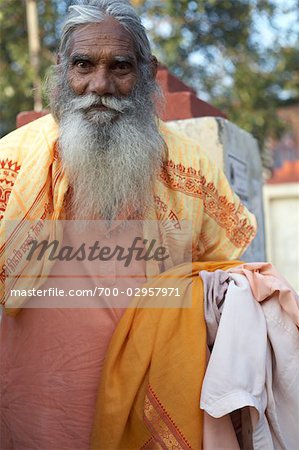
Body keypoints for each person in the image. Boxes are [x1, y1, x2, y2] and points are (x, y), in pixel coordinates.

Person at [0, 1, 257, 448]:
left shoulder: (191, 167)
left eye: (120, 67)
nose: (99, 86)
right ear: (62, 68)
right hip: (37, 412)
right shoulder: (11, 161)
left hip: (152, 407)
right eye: (83, 65)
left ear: (147, 71)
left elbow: (228, 277)